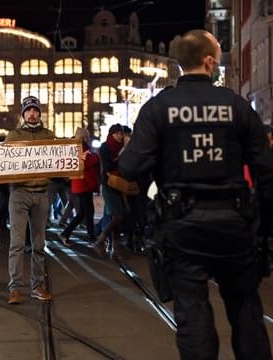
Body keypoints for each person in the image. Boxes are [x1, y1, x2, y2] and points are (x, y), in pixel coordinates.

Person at [119, 30, 273, 360]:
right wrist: (261, 227)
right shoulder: (236, 105)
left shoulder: (159, 108)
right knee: (246, 313)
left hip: (182, 224)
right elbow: (267, 171)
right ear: (209, 61)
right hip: (234, 223)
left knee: (193, 314)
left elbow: (130, 166)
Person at [0, 95, 55, 305]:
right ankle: (15, 288)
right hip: (19, 194)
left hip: (42, 193)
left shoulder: (49, 136)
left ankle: (37, 286)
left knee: (39, 243)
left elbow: (58, 163)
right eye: (29, 110)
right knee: (17, 243)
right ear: (23, 113)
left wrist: (76, 160)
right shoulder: (13, 136)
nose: (32, 113)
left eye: (35, 110)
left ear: (39, 113)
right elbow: (3, 161)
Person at [59, 127, 100, 248]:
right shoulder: (76, 147)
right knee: (88, 212)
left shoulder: (80, 146)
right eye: (85, 136)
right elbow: (84, 163)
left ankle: (65, 233)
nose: (87, 138)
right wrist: (96, 158)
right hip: (82, 184)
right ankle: (91, 238)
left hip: (83, 184)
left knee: (83, 213)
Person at [98, 124, 126, 256]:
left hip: (121, 184)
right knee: (118, 215)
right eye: (118, 133)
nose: (120, 136)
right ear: (112, 134)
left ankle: (116, 246)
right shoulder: (105, 147)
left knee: (117, 215)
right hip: (109, 184)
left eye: (121, 133)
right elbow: (108, 166)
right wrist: (120, 157)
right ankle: (100, 241)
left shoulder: (122, 147)